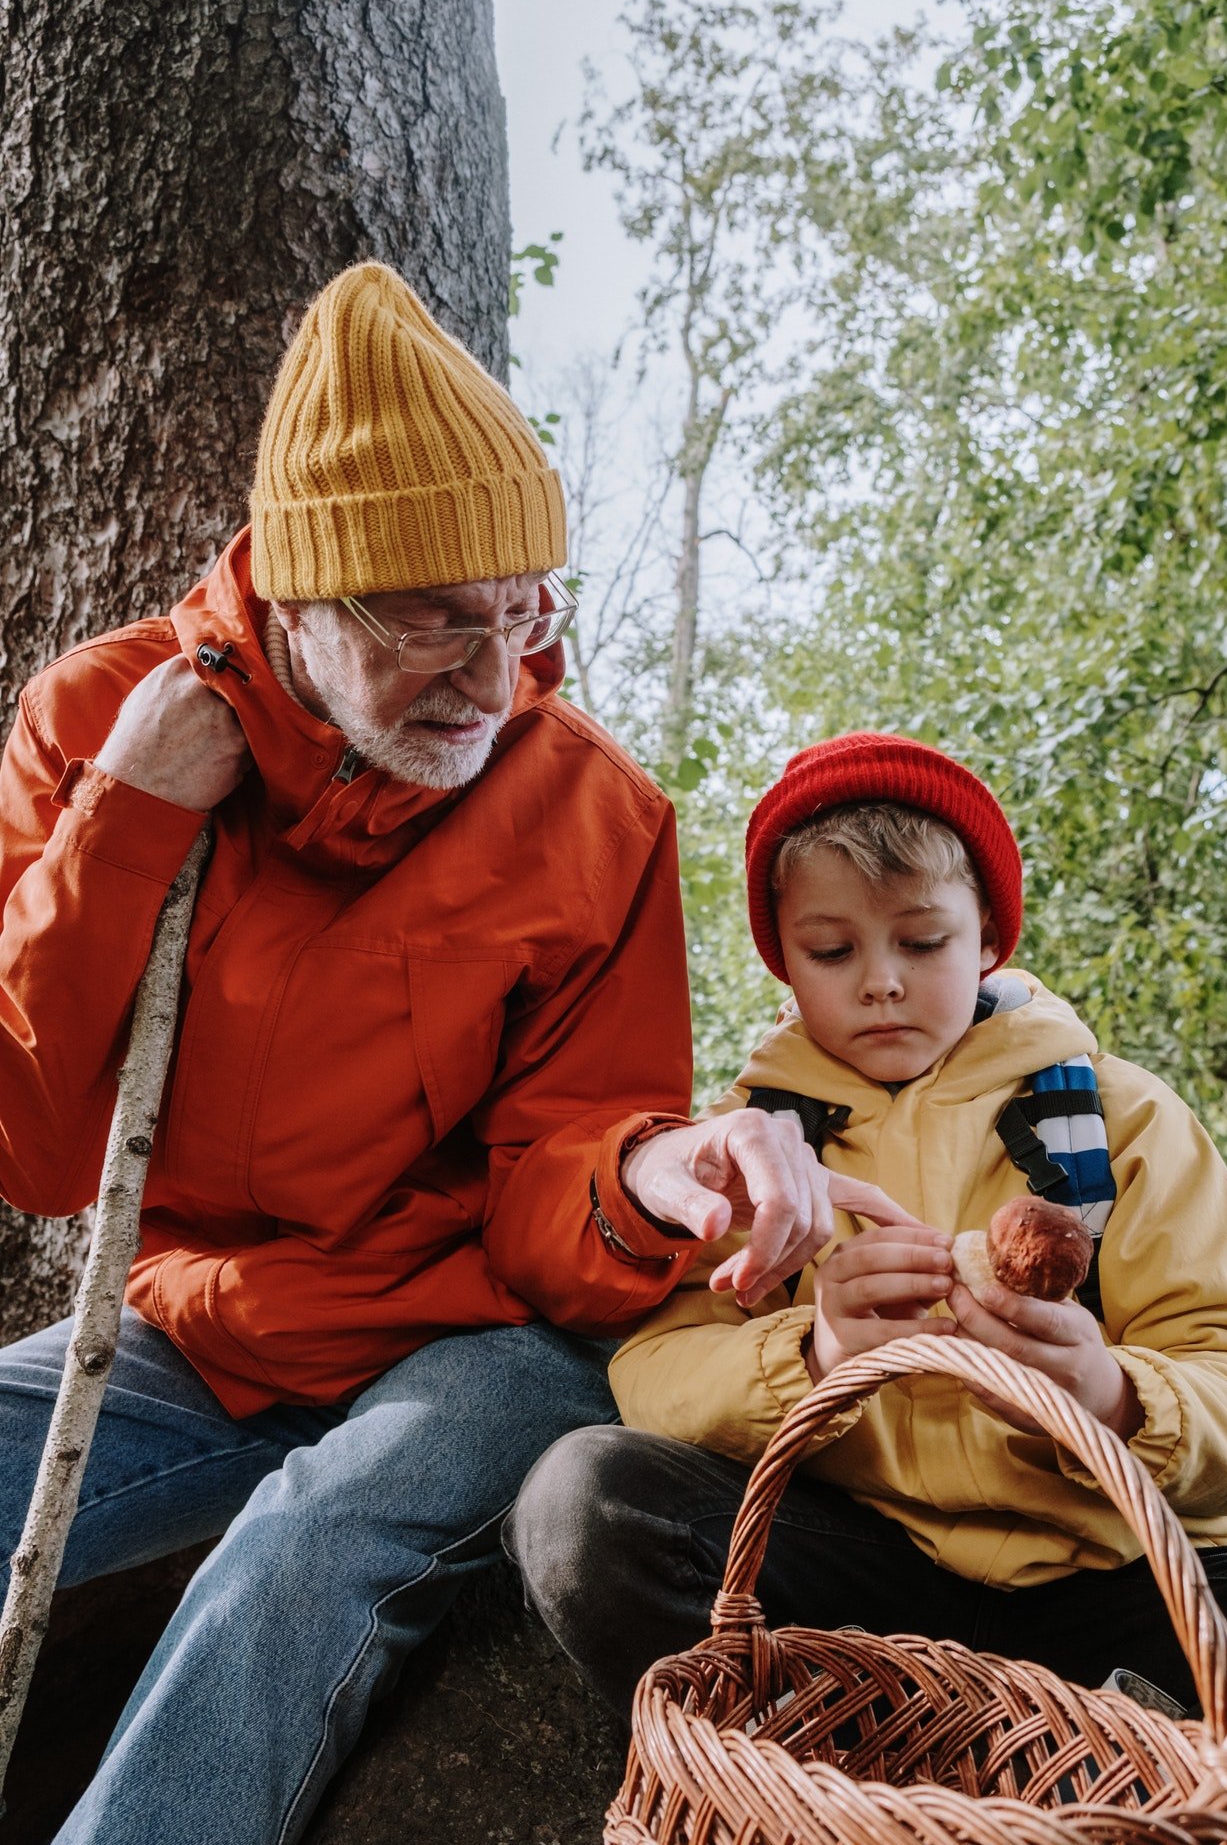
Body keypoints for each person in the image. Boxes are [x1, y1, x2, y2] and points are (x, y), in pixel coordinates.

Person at [0, 262, 839, 1845]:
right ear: (302, 600)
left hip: (477, 1328)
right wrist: (123, 824)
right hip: (209, 1325)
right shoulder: (99, 723)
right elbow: (35, 1151)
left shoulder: (595, 810)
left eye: (525, 615)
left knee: (307, 1536)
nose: (497, 679)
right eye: (440, 630)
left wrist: (648, 1168)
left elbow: (558, 1177)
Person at [510, 730, 1227, 1727]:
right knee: (585, 1497)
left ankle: (1091, 1751)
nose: (878, 980)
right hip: (864, 1569)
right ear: (784, 959)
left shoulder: (1123, 1120)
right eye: (831, 950)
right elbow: (653, 1375)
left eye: (921, 941)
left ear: (988, 938)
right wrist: (813, 1352)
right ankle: (796, 1784)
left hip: (1121, 1573)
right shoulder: (754, 1144)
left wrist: (1113, 1394)